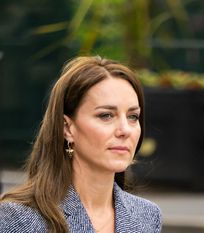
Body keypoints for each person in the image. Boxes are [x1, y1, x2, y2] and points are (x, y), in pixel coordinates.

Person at [0, 56, 162, 233]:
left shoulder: (147, 215)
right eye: (106, 115)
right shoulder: (19, 218)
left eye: (133, 117)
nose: (125, 130)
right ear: (67, 128)